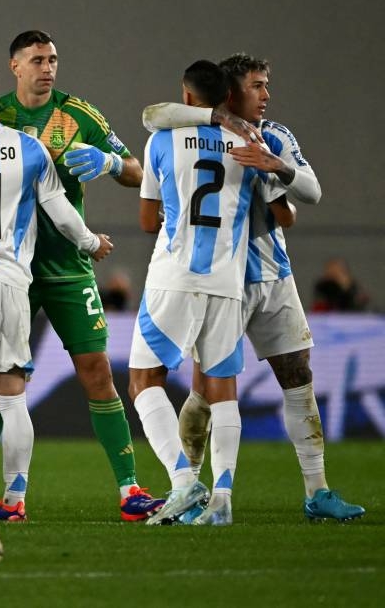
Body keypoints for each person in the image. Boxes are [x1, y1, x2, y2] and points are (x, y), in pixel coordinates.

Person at [143, 53, 365, 521]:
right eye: (257, 86)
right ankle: (191, 490)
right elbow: (154, 114)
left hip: (273, 276)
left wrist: (273, 167)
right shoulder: (206, 129)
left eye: (267, 86)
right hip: (227, 281)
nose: (266, 95)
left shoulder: (276, 137)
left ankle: (318, 491)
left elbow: (306, 197)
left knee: (297, 375)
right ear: (230, 93)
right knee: (207, 390)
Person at [0, 60, 112, 523]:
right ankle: (13, 500)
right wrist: (92, 242)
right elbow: (62, 213)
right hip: (14, 282)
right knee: (11, 394)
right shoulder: (29, 149)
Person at [0, 30, 163, 520]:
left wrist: (110, 162)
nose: (47, 68)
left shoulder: (80, 115)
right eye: (37, 60)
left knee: (96, 373)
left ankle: (130, 490)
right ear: (15, 66)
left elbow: (137, 170)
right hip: (12, 269)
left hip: (69, 265)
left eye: (53, 60)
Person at [131, 60, 292, 526]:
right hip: (227, 280)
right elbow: (281, 211)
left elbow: (146, 221)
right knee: (223, 391)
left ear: (186, 96)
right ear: (226, 96)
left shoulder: (162, 139)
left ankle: (183, 482)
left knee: (144, 382)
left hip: (173, 276)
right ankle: (222, 499)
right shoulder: (248, 141)